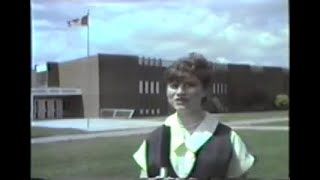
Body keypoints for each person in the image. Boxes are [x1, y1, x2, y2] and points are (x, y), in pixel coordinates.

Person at [133, 53, 256, 179]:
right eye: (174, 86)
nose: (180, 92)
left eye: (190, 85)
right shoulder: (155, 139)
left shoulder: (228, 139)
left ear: (205, 91)